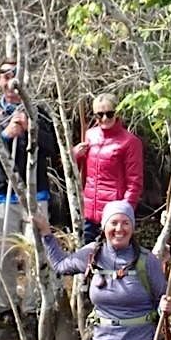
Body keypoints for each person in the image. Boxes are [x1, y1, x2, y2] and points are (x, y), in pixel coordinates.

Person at [33, 200, 171, 340]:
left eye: (125, 223)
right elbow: (60, 265)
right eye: (113, 223)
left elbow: (163, 300)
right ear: (104, 226)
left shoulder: (147, 261)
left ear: (133, 227)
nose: (119, 229)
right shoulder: (92, 254)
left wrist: (166, 307)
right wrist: (46, 233)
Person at [0, 59, 59, 327]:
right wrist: (5, 134)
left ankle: (33, 307)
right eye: (6, 75)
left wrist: (31, 129)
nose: (11, 80)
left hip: (35, 196)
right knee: (3, 255)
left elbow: (53, 149)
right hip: (3, 195)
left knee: (35, 252)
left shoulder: (39, 111)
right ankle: (6, 306)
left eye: (17, 74)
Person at [72, 92, 144, 244]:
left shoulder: (130, 142)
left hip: (113, 216)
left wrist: (124, 212)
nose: (104, 119)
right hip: (89, 213)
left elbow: (134, 182)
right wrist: (74, 154)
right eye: (99, 115)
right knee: (86, 255)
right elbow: (74, 170)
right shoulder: (90, 135)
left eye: (109, 114)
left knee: (112, 257)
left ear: (117, 113)